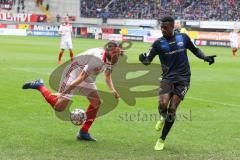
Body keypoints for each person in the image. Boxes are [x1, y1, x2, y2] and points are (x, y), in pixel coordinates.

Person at [139, 16, 216, 151]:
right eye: (161, 27)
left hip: (183, 79)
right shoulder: (158, 43)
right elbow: (147, 61)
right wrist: (143, 59)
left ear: (172, 26)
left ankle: (161, 139)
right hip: (167, 78)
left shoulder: (183, 38)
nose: (162, 29)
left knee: (173, 109)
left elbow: (195, 50)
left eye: (165, 27)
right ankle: (162, 117)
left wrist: (205, 57)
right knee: (163, 105)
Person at [22, 41, 122, 141]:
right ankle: (40, 86)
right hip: (73, 71)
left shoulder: (114, 59)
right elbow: (81, 77)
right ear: (108, 51)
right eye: (114, 53)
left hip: (85, 75)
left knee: (96, 103)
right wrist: (64, 92)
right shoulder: (97, 59)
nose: (117, 55)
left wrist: (112, 90)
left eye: (118, 53)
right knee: (59, 107)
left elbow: (107, 75)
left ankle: (83, 132)